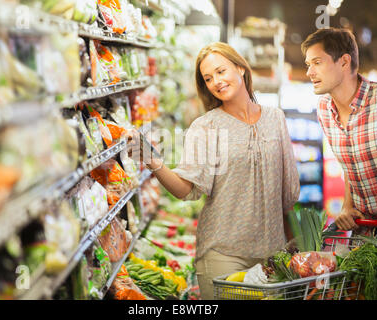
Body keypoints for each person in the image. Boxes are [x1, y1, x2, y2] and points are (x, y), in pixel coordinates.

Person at [127, 42, 299, 300]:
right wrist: (152, 160)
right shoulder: (205, 126)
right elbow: (187, 190)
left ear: (240, 68)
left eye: (221, 71)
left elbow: (286, 195)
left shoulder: (276, 118)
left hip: (272, 258)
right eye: (208, 78)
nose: (216, 82)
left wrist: (297, 245)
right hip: (223, 257)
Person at [302, 28, 377, 232]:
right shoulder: (324, 109)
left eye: (317, 62)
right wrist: (347, 206)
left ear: (344, 62)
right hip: (365, 230)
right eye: (308, 64)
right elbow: (350, 163)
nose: (309, 72)